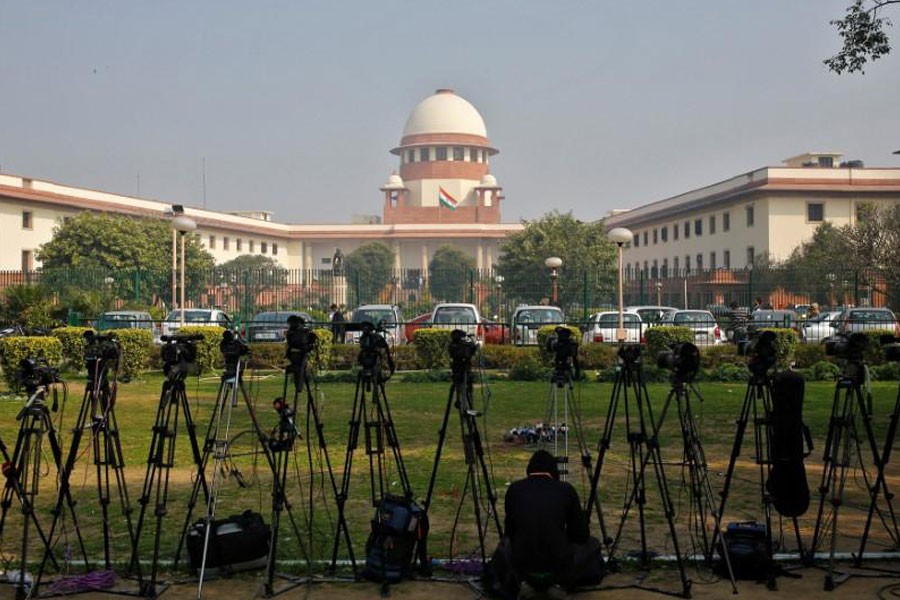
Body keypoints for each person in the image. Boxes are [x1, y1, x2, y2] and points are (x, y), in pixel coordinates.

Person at [490, 450, 601, 599]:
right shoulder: (566, 489)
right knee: (592, 544)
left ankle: (522, 582)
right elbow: (581, 535)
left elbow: (509, 533)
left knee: (505, 545)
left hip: (523, 566)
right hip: (559, 566)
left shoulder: (514, 490)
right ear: (554, 471)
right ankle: (560, 583)